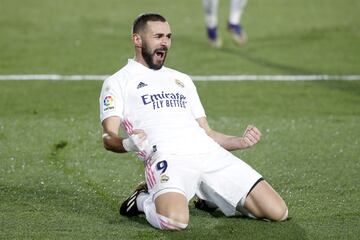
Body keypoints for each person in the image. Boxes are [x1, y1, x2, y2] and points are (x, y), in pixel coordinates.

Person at [99, 13, 288, 231]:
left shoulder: (182, 80)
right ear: (137, 40)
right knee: (174, 221)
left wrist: (240, 142)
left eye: (168, 37)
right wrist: (128, 144)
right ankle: (142, 199)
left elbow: (206, 132)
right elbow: (107, 137)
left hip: (208, 154)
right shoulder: (118, 82)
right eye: (158, 36)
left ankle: (208, 196)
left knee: (277, 212)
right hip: (168, 158)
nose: (165, 42)